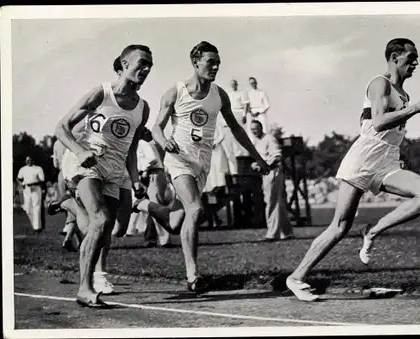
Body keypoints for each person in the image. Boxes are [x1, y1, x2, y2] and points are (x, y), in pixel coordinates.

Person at [286, 38, 420, 301]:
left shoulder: (403, 94)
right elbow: (378, 123)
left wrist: (407, 110)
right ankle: (296, 277)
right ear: (394, 57)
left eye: (416, 58)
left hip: (388, 160)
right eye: (410, 57)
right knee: (340, 226)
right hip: (364, 158)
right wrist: (414, 110)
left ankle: (373, 230)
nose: (415, 63)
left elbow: (381, 125)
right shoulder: (380, 83)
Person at [150, 41, 270, 293]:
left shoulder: (219, 94)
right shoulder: (176, 92)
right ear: (195, 62)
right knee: (195, 209)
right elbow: (156, 128)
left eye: (218, 63)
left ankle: (142, 205)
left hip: (202, 164)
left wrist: (257, 156)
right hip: (178, 159)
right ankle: (193, 276)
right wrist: (165, 142)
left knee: (175, 223)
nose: (215, 67)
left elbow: (237, 129)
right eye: (210, 62)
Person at [55, 44, 153, 308]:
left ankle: (71, 206)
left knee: (106, 233)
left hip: (115, 169)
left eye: (149, 66)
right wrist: (79, 149)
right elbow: (61, 127)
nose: (145, 69)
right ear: (123, 63)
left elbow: (132, 149)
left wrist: (135, 179)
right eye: (141, 63)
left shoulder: (142, 108)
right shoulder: (101, 93)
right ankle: (84, 289)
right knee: (100, 220)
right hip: (89, 164)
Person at [250, 120, 294, 241]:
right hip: (266, 173)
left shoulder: (269, 138)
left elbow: (277, 156)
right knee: (277, 202)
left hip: (273, 172)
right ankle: (287, 232)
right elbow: (262, 157)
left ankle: (272, 234)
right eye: (252, 129)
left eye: (256, 128)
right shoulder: (257, 142)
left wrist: (265, 165)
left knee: (271, 201)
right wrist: (256, 164)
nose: (254, 131)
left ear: (261, 128)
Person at [16, 156, 45, 233]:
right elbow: (18, 178)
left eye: (30, 160)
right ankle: (34, 225)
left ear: (33, 161)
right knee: (28, 209)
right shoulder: (23, 169)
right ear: (25, 161)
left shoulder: (38, 168)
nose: (29, 161)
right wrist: (21, 184)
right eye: (27, 160)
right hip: (27, 190)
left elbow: (42, 180)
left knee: (36, 208)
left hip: (36, 189)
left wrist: (33, 184)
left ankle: (37, 228)